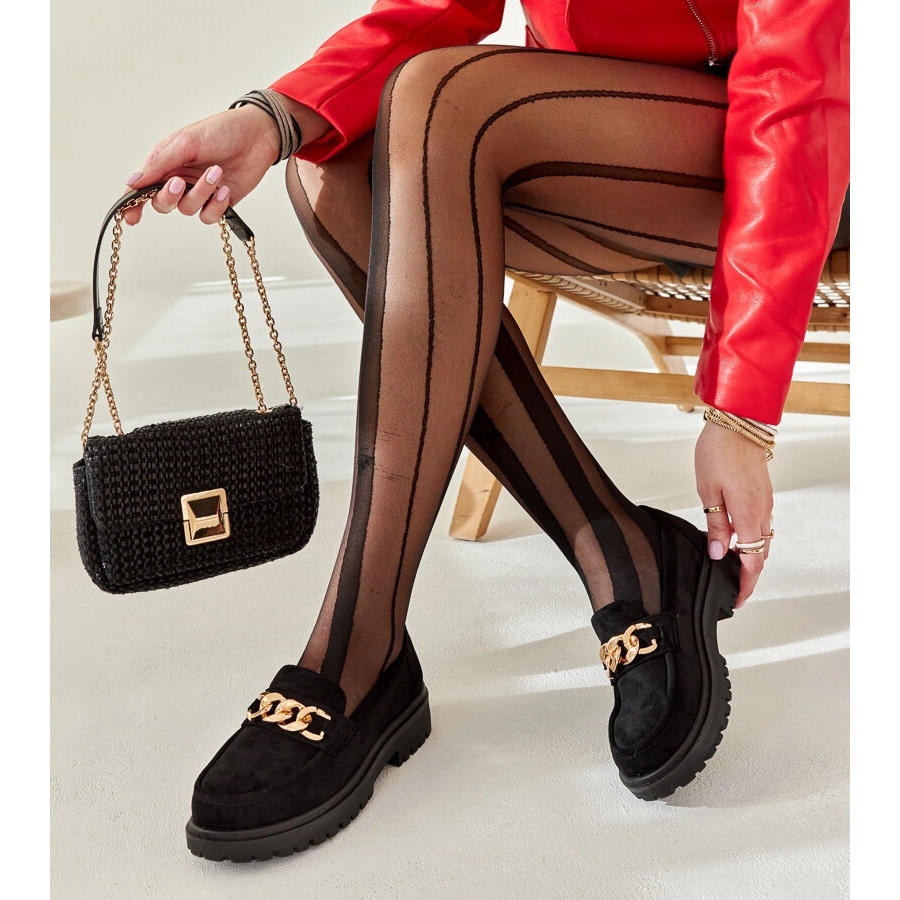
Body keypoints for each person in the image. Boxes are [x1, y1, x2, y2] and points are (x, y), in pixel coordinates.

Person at [121, 0, 849, 863]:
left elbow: (798, 82)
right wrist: (269, 117)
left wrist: (740, 410)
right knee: (333, 171)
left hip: (813, 142)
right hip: (611, 124)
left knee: (444, 94)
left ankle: (356, 655)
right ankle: (621, 551)